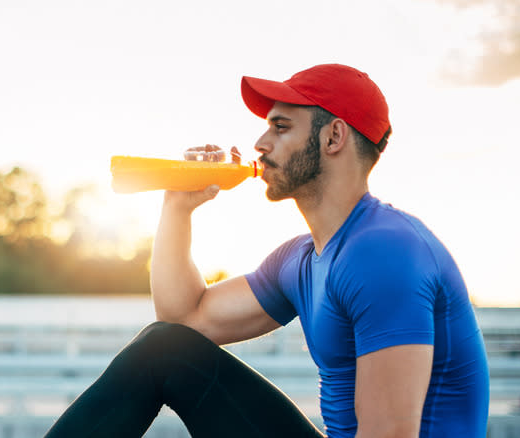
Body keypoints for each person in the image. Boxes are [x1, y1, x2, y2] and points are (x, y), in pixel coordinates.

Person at [43, 64, 490, 438]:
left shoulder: (385, 252)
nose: (260, 143)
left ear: (333, 137)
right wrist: (178, 208)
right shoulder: (301, 259)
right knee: (164, 348)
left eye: (280, 127)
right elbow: (181, 322)